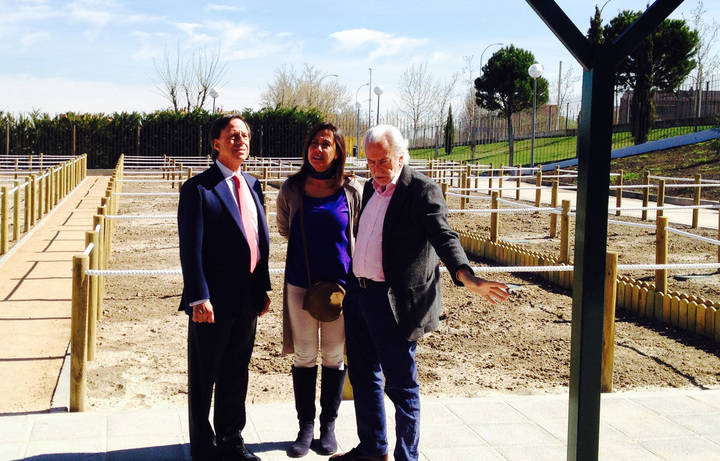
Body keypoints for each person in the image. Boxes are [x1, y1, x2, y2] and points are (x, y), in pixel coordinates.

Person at [332, 125, 509, 461]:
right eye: (370, 163)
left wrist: (466, 275)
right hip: (360, 298)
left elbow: (444, 237)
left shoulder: (422, 191)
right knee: (363, 374)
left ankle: (406, 456)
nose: (377, 170)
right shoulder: (370, 187)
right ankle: (373, 448)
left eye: (383, 161)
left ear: (401, 156)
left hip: (394, 304)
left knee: (401, 385)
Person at [178, 114, 271, 461]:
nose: (241, 141)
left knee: (236, 374)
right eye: (232, 136)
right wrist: (199, 296)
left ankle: (231, 441)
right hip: (211, 303)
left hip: (246, 301)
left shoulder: (253, 184)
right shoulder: (198, 188)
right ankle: (203, 448)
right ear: (216, 143)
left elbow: (256, 240)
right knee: (204, 378)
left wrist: (261, 288)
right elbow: (191, 248)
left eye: (245, 135)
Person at [276, 122, 363, 457]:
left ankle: (328, 427)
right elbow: (284, 228)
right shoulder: (292, 188)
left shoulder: (352, 189)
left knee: (332, 356)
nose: (319, 150)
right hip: (300, 285)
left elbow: (358, 231)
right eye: (314, 143)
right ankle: (305, 426)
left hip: (341, 289)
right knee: (304, 355)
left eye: (326, 144)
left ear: (338, 150)